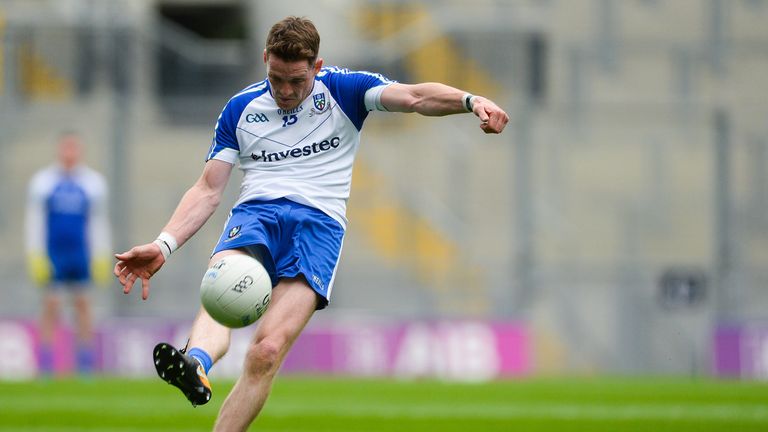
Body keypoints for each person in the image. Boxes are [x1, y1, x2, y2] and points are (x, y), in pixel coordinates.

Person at [114, 16, 508, 431]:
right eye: (276, 78)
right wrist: (164, 244)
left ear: (317, 67)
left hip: (318, 228)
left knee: (266, 352)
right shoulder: (240, 108)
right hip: (257, 215)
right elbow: (208, 189)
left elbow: (414, 96)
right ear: (265, 59)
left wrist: (471, 101)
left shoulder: (345, 90)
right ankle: (195, 362)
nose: (285, 91)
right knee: (221, 291)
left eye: (296, 81)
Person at [26, 131, 112, 375]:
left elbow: (98, 222)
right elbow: (34, 221)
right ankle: (45, 363)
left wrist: (101, 254)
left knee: (82, 304)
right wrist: (36, 254)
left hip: (80, 253)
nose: (69, 153)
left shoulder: (92, 184)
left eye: (74, 148)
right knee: (51, 304)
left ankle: (85, 363)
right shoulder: (43, 182)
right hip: (54, 252)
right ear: (59, 150)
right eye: (66, 148)